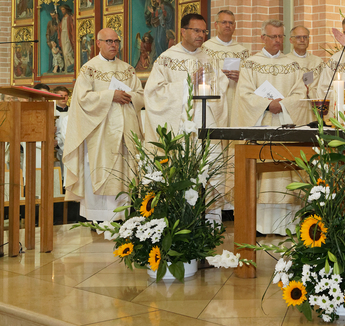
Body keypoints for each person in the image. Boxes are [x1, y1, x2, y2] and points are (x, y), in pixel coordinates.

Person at [233, 19, 309, 234]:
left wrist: (282, 105)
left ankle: (289, 224)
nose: (277, 41)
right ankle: (260, 225)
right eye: (273, 37)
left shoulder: (292, 64)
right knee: (262, 171)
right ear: (262, 38)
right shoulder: (250, 64)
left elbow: (299, 93)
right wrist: (267, 104)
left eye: (280, 37)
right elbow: (244, 94)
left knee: (285, 171)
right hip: (261, 125)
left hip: (286, 125)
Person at [62, 28, 144, 222]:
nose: (113, 45)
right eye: (108, 41)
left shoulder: (128, 69)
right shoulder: (89, 69)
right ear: (97, 43)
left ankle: (123, 218)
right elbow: (82, 99)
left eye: (116, 41)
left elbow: (141, 94)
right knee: (102, 172)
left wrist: (130, 97)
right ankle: (100, 219)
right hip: (100, 134)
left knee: (124, 172)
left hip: (126, 132)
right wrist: (110, 96)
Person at [144, 13, 229, 142]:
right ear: (183, 31)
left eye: (203, 31)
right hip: (181, 124)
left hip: (208, 121)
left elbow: (222, 86)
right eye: (196, 30)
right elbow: (153, 93)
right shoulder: (167, 59)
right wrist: (187, 83)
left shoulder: (209, 59)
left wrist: (211, 82)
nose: (201, 35)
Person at [202, 10, 250, 210]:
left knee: (236, 147)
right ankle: (215, 203)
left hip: (238, 103)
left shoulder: (243, 50)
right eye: (224, 22)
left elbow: (251, 78)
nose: (228, 26)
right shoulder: (205, 48)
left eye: (231, 22)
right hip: (216, 104)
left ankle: (234, 204)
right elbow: (201, 76)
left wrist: (242, 78)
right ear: (216, 25)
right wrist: (220, 76)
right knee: (217, 149)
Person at [287, 26, 325, 98]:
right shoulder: (285, 61)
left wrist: (309, 91)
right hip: (292, 104)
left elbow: (324, 87)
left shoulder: (318, 62)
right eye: (298, 37)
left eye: (305, 37)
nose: (302, 40)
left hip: (312, 106)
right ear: (291, 40)